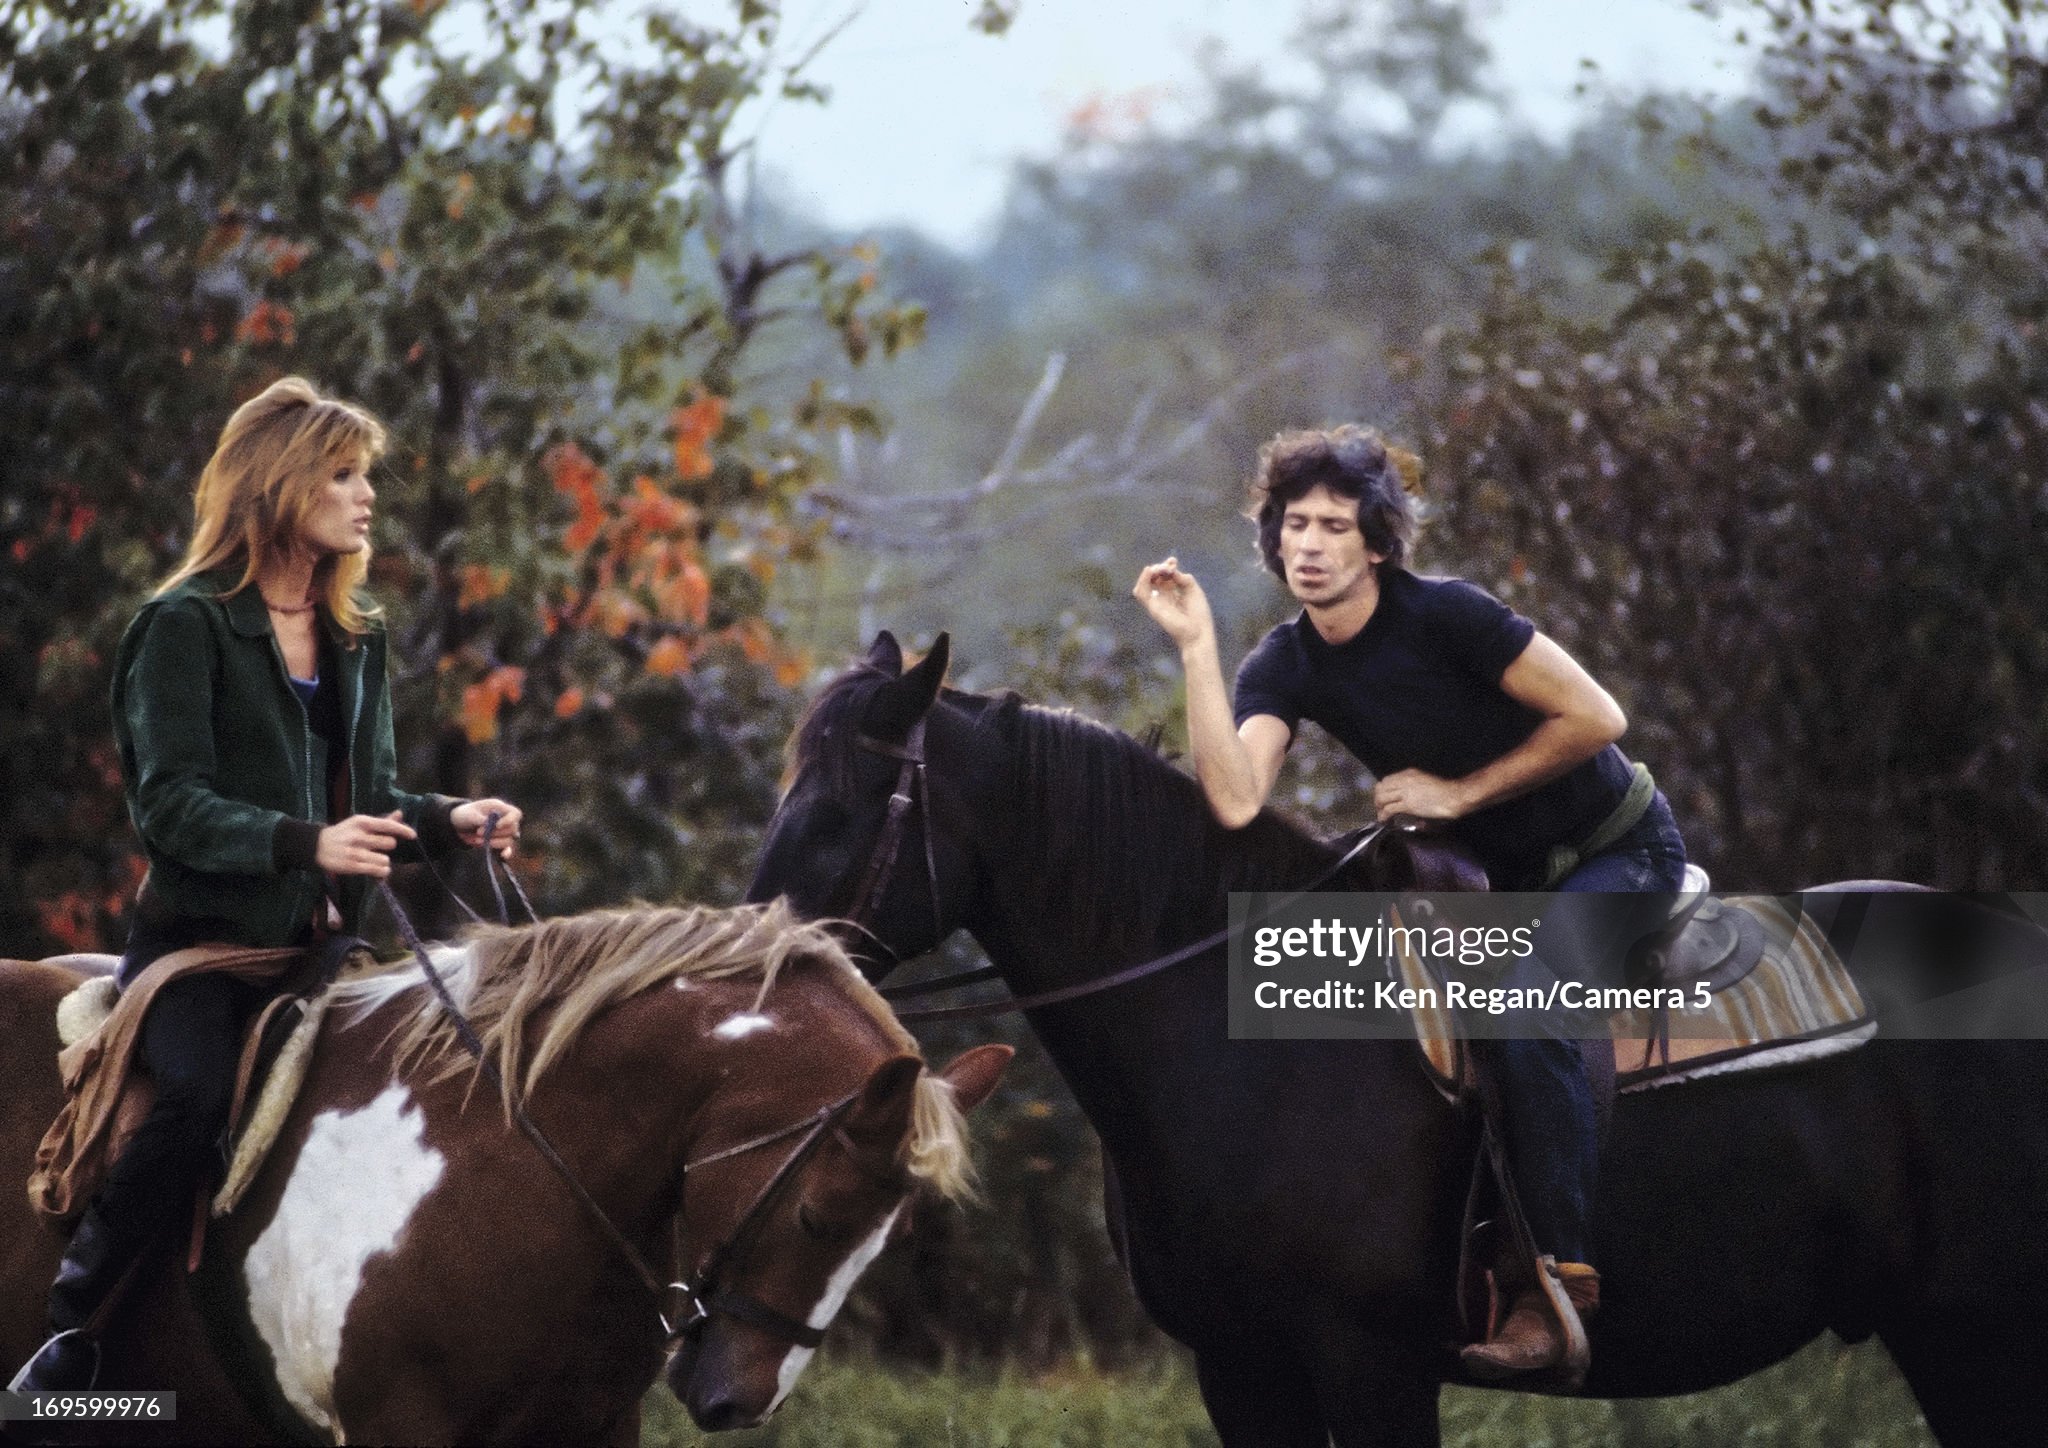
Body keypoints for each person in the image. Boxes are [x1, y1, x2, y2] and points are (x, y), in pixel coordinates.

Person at [1133, 423, 1685, 1380]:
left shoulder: (1451, 617)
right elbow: (1232, 797)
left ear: (1378, 542)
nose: (1307, 545)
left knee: (1525, 1016)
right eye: (1293, 523)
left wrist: (1459, 794)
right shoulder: (1287, 663)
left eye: (1334, 526)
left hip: (1615, 850)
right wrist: (1196, 648)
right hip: (1499, 885)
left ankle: (1555, 1287)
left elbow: (1600, 717)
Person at [12, 377, 523, 1393]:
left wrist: (447, 819)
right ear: (280, 482)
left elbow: (370, 800)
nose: (363, 495)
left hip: (323, 953)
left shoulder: (358, 633)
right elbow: (171, 807)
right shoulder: (182, 625)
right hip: (203, 947)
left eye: (363, 475)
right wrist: (303, 843)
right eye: (341, 473)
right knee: (193, 1095)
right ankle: (72, 1324)